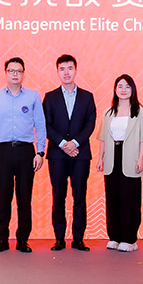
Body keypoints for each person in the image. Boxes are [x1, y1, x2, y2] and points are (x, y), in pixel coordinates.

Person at [0, 57, 46, 253]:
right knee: (3, 197)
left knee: (24, 198)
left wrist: (40, 151)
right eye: (11, 71)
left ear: (23, 74)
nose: (15, 74)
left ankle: (22, 240)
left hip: (26, 151)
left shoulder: (33, 96)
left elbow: (41, 125)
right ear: (5, 73)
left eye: (18, 71)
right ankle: (2, 240)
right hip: (2, 151)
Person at [43, 54, 96, 251]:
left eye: (70, 68)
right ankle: (59, 238)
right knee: (58, 196)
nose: (66, 72)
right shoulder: (50, 97)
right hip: (57, 155)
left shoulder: (87, 97)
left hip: (81, 154)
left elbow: (90, 124)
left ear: (76, 70)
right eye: (62, 69)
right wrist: (63, 144)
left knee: (80, 196)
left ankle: (78, 238)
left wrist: (75, 143)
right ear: (57, 72)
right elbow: (46, 125)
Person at [97, 74, 143, 252]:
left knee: (130, 198)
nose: (123, 90)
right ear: (115, 90)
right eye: (120, 86)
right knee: (113, 198)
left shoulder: (139, 112)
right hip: (112, 158)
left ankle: (129, 239)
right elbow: (103, 138)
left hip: (130, 157)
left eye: (127, 86)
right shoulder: (108, 113)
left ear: (132, 90)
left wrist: (140, 159)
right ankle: (115, 236)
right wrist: (100, 158)